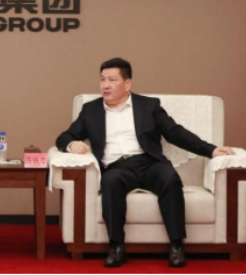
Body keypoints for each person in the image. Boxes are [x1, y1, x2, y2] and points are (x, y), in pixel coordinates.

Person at [56, 58, 235, 268]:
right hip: (116, 167)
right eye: (102, 79)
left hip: (149, 163)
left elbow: (175, 133)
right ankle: (116, 247)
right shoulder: (91, 110)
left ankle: (177, 245)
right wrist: (72, 144)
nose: (105, 85)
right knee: (110, 183)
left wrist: (211, 150)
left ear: (128, 83)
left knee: (170, 179)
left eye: (112, 80)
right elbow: (64, 136)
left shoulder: (148, 106)